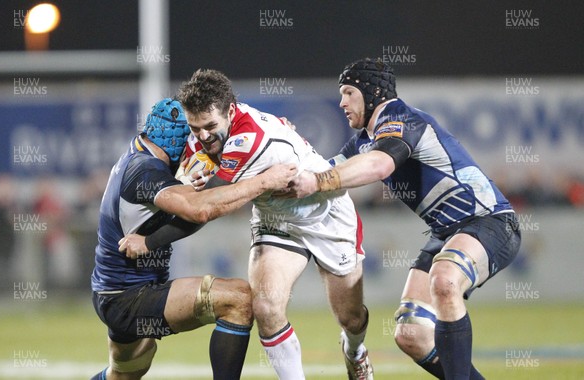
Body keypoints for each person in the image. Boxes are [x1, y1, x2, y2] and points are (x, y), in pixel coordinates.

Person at [286, 58, 521, 379]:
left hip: (489, 221)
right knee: (412, 334)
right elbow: (321, 168)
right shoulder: (364, 141)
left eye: (348, 93)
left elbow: (379, 166)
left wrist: (319, 181)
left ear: (371, 93)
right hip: (447, 233)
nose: (342, 102)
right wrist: (290, 145)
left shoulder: (401, 119)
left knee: (445, 280)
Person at [131, 69, 373, 379]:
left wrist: (148, 240)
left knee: (351, 318)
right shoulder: (207, 134)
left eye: (210, 127)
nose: (203, 137)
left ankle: (355, 351)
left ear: (230, 111)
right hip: (275, 220)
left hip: (327, 216)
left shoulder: (250, 139)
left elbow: (206, 210)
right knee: (266, 307)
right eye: (195, 128)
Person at [90, 98, 296, 380]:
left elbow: (195, 209)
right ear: (176, 138)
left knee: (124, 375)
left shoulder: (138, 155)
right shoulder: (146, 170)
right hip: (129, 297)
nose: (197, 143)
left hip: (114, 293)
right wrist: (264, 180)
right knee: (238, 300)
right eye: (191, 134)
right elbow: (200, 210)